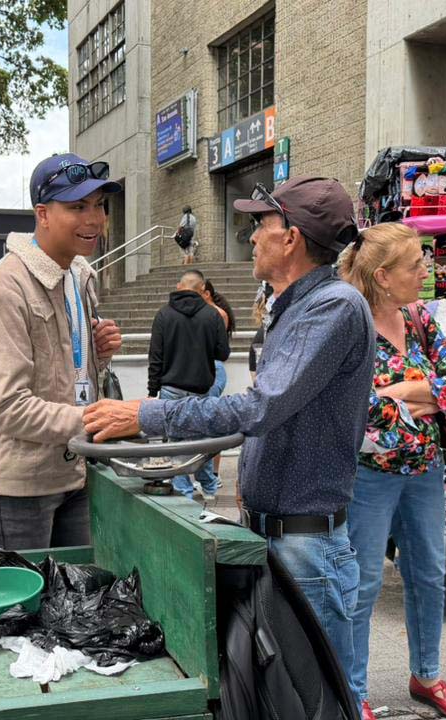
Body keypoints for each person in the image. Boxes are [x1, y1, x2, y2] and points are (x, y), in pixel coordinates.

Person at [83, 177, 375, 712]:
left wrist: (144, 414)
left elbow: (259, 409)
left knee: (319, 704)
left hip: (308, 547)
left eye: (260, 224)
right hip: (282, 538)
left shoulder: (332, 307)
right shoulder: (296, 306)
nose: (250, 237)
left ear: (290, 238)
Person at [339, 223, 446, 720]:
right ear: (383, 276)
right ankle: (353, 692)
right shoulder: (351, 328)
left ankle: (428, 676)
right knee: (363, 584)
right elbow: (359, 407)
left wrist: (402, 394)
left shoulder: (419, 319)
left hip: (425, 470)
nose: (426, 271)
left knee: (428, 575)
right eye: (415, 264)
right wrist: (420, 393)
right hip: (369, 476)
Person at [0, 152, 123, 550]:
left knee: (77, 598)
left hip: (76, 470)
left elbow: (62, 372)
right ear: (43, 214)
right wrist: (97, 420)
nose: (94, 219)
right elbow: (7, 407)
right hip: (20, 483)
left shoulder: (80, 275)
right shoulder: (4, 289)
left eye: (99, 206)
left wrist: (97, 355)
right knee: (25, 606)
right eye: (77, 207)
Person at [147, 270, 230, 500]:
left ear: (178, 286)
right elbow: (223, 352)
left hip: (171, 388)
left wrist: (153, 389)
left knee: (175, 441)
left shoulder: (163, 315)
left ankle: (183, 493)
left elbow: (156, 355)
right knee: (201, 439)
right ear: (202, 290)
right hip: (200, 388)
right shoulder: (212, 316)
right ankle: (210, 488)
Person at [202, 279, 234, 483]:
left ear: (205, 293)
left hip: (212, 369)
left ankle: (212, 474)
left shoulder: (217, 314)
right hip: (206, 369)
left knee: (211, 422)